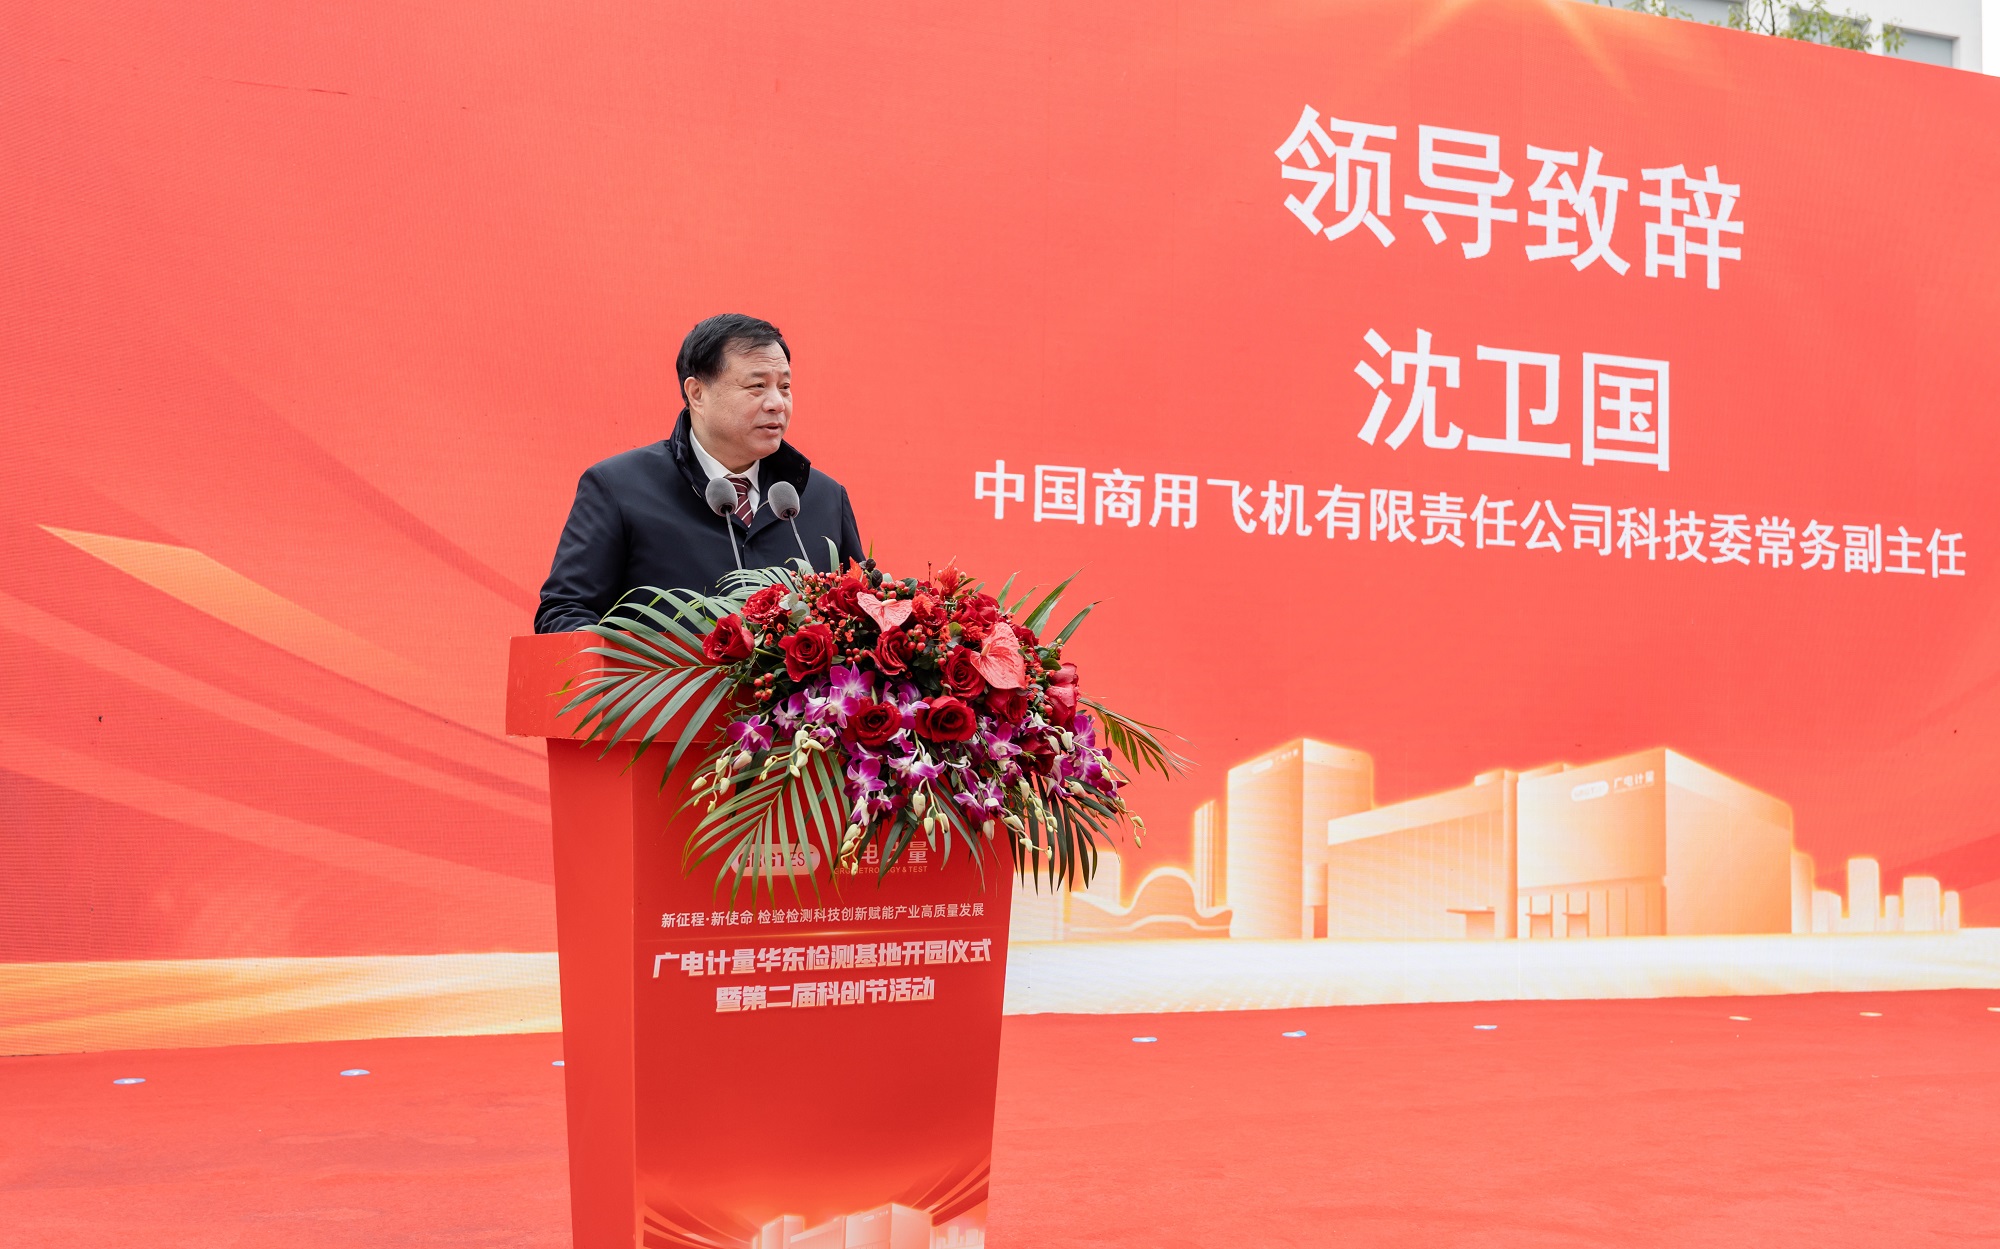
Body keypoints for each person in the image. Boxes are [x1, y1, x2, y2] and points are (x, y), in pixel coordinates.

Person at [534, 313, 864, 633]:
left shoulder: (824, 498)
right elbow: (564, 612)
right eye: (757, 386)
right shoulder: (619, 488)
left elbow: (861, 613)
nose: (777, 403)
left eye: (785, 386)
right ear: (697, 393)